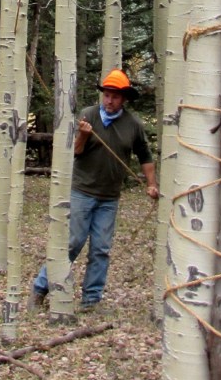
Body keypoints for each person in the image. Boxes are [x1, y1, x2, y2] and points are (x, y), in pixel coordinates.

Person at [32, 69, 160, 310]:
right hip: (81, 191)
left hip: (109, 197)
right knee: (72, 243)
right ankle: (40, 288)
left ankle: (91, 299)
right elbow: (75, 151)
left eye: (115, 97)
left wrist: (152, 184)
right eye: (107, 95)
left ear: (124, 99)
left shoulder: (133, 125)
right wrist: (82, 135)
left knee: (101, 249)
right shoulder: (88, 115)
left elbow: (145, 156)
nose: (109, 101)